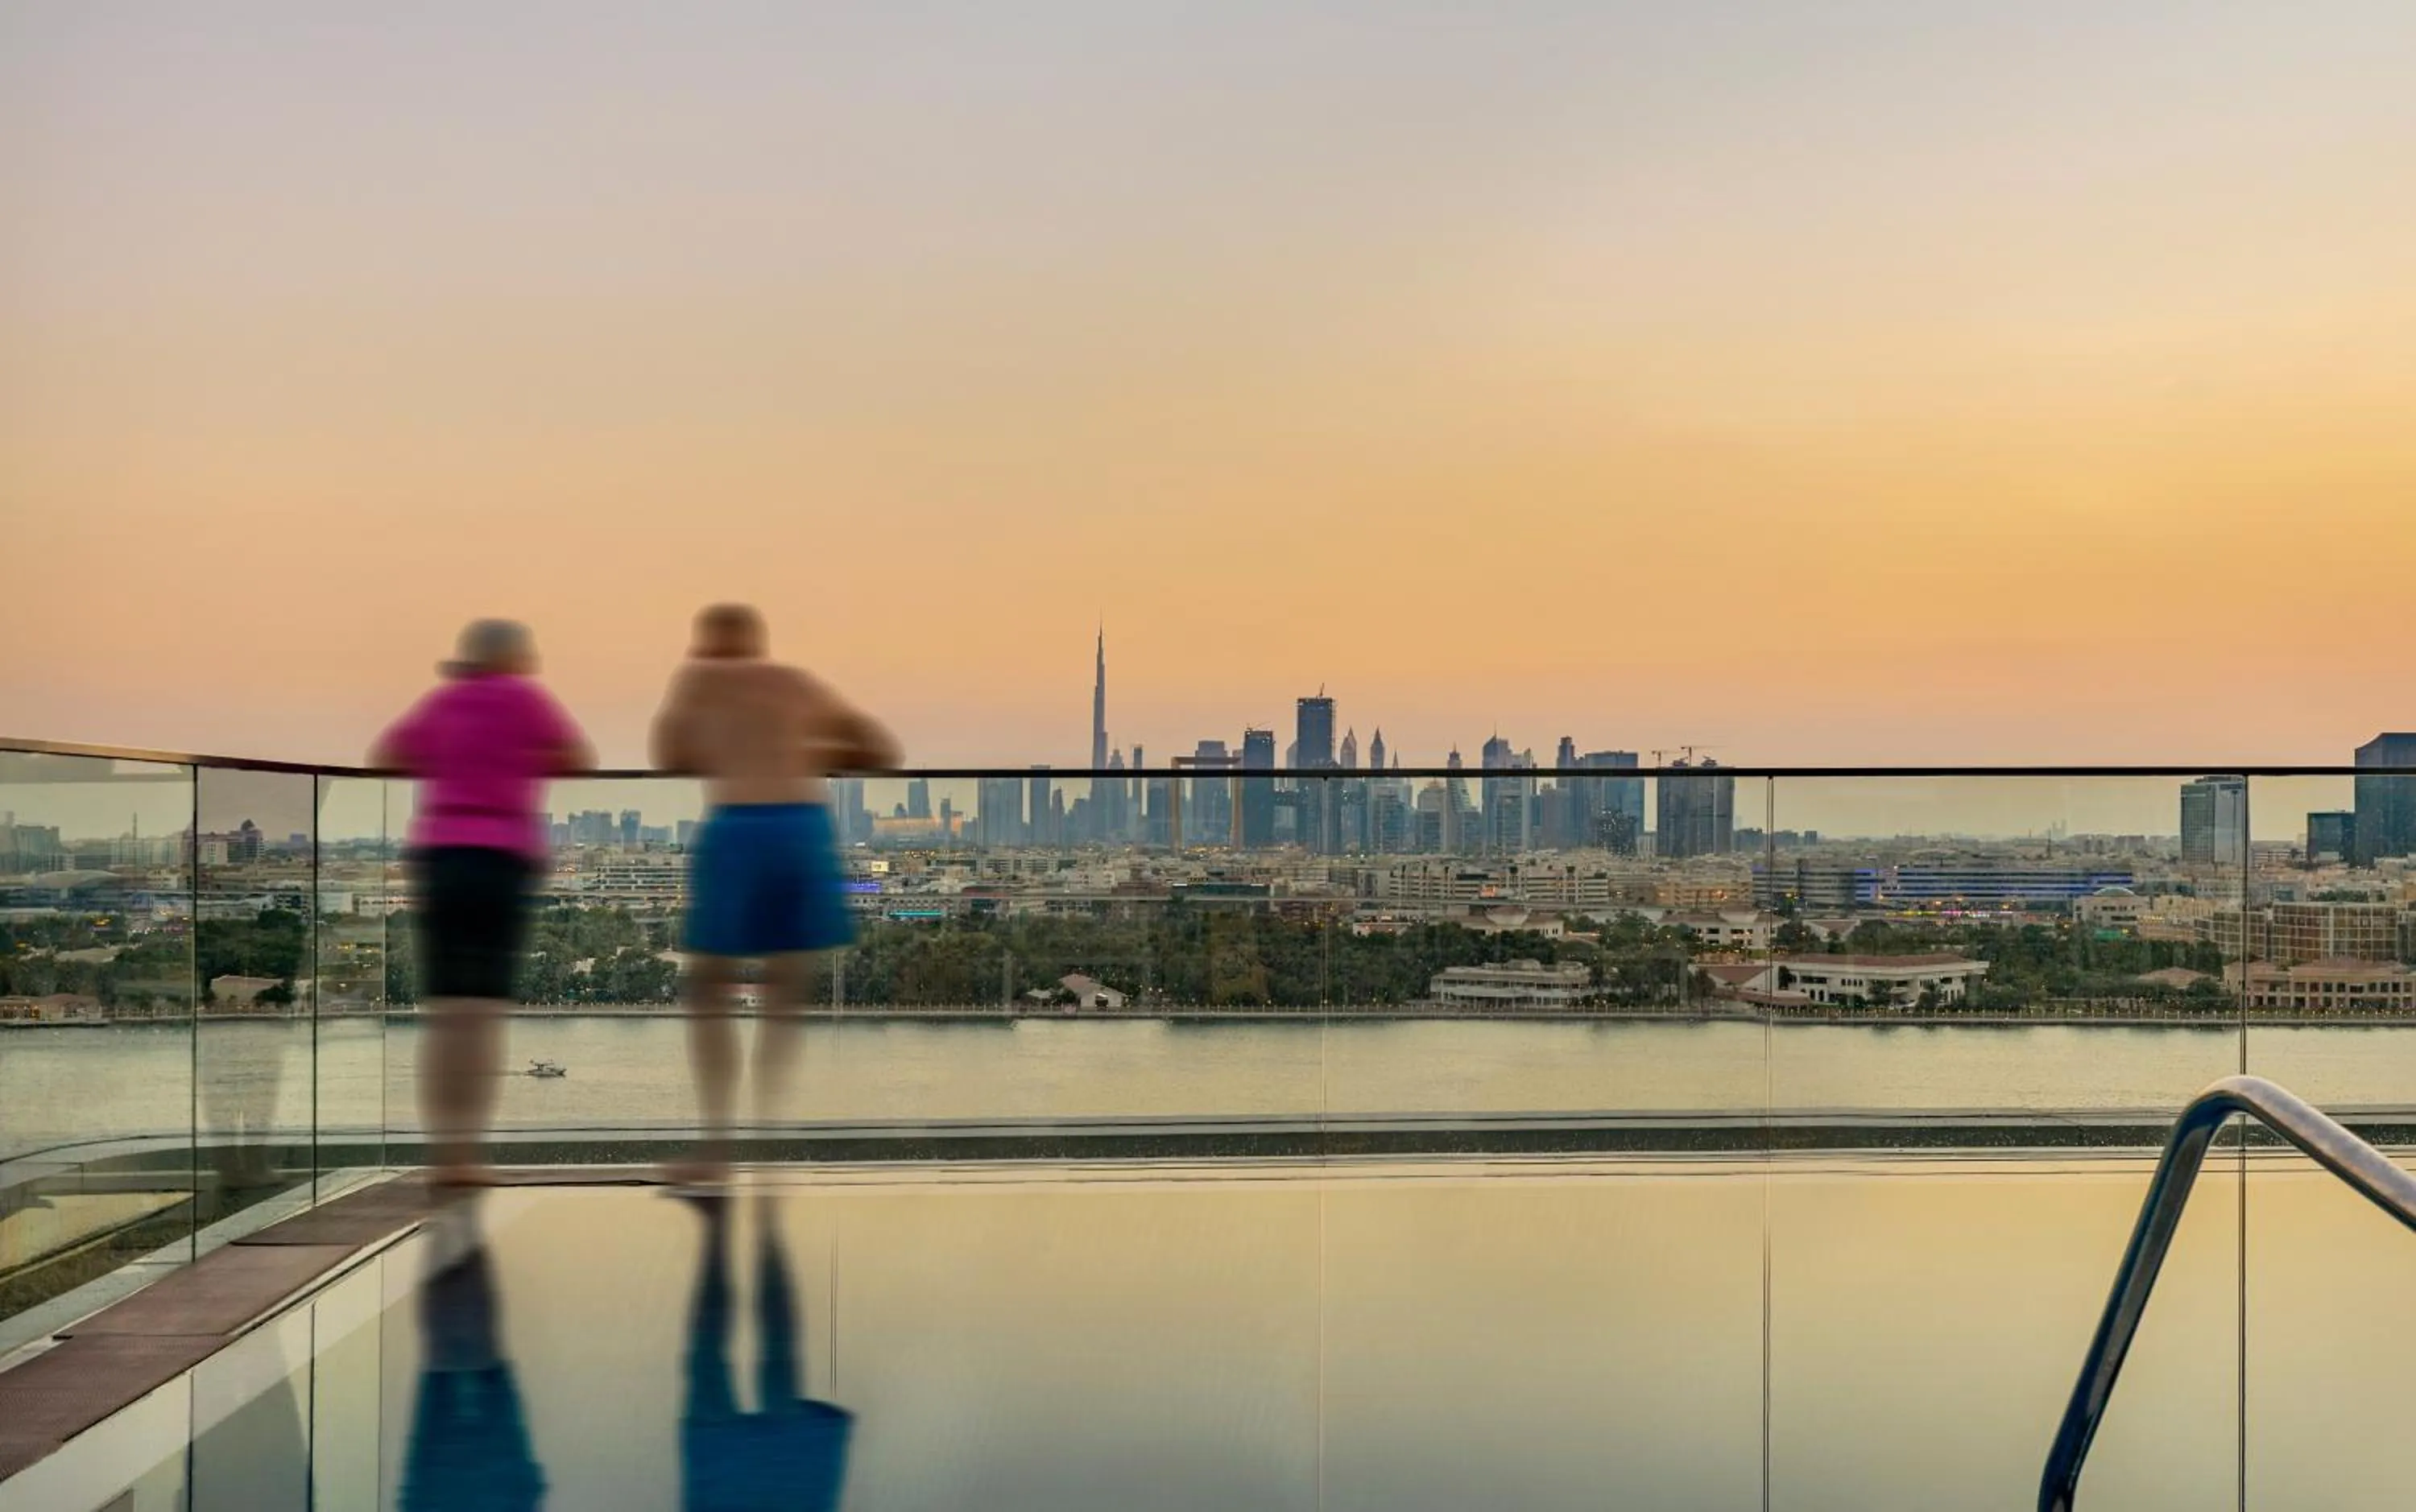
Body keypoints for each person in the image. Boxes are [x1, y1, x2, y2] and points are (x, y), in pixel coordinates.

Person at [652, 604, 898, 1179]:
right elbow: (879, 749)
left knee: (709, 983)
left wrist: (719, 739)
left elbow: (668, 754)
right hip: (803, 825)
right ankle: (766, 1133)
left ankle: (717, 1144)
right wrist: (805, 753)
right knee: (786, 987)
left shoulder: (700, 683)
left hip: (739, 826)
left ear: (708, 643)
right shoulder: (793, 684)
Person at [373, 619, 592, 1187]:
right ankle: (468, 1154)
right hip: (501, 860)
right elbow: (576, 755)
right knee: (482, 1015)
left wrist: (451, 761)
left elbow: (388, 753)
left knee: (445, 1015)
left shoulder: (444, 700)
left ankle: (444, 1157)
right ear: (516, 658)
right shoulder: (524, 697)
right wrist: (513, 765)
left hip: (440, 859)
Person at [676, 1192, 854, 1511]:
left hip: (755, 1480)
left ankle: (739, 1224)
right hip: (769, 1481)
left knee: (731, 1361)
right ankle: (750, 1225)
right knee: (734, 1361)